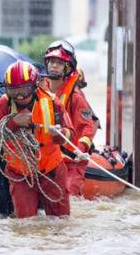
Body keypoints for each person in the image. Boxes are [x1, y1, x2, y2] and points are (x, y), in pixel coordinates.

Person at [0, 60, 75, 218]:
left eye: (25, 90)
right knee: (26, 223)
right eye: (14, 91)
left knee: (61, 221)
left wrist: (60, 135)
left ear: (34, 86)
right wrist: (14, 123)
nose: (20, 96)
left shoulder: (52, 102)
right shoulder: (4, 104)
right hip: (20, 173)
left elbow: (71, 133)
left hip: (51, 171)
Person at [43, 40, 99, 197]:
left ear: (67, 67)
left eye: (59, 63)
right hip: (47, 157)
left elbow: (88, 128)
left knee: (67, 195)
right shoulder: (40, 92)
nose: (54, 66)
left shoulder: (75, 97)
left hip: (72, 160)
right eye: (52, 62)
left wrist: (79, 151)